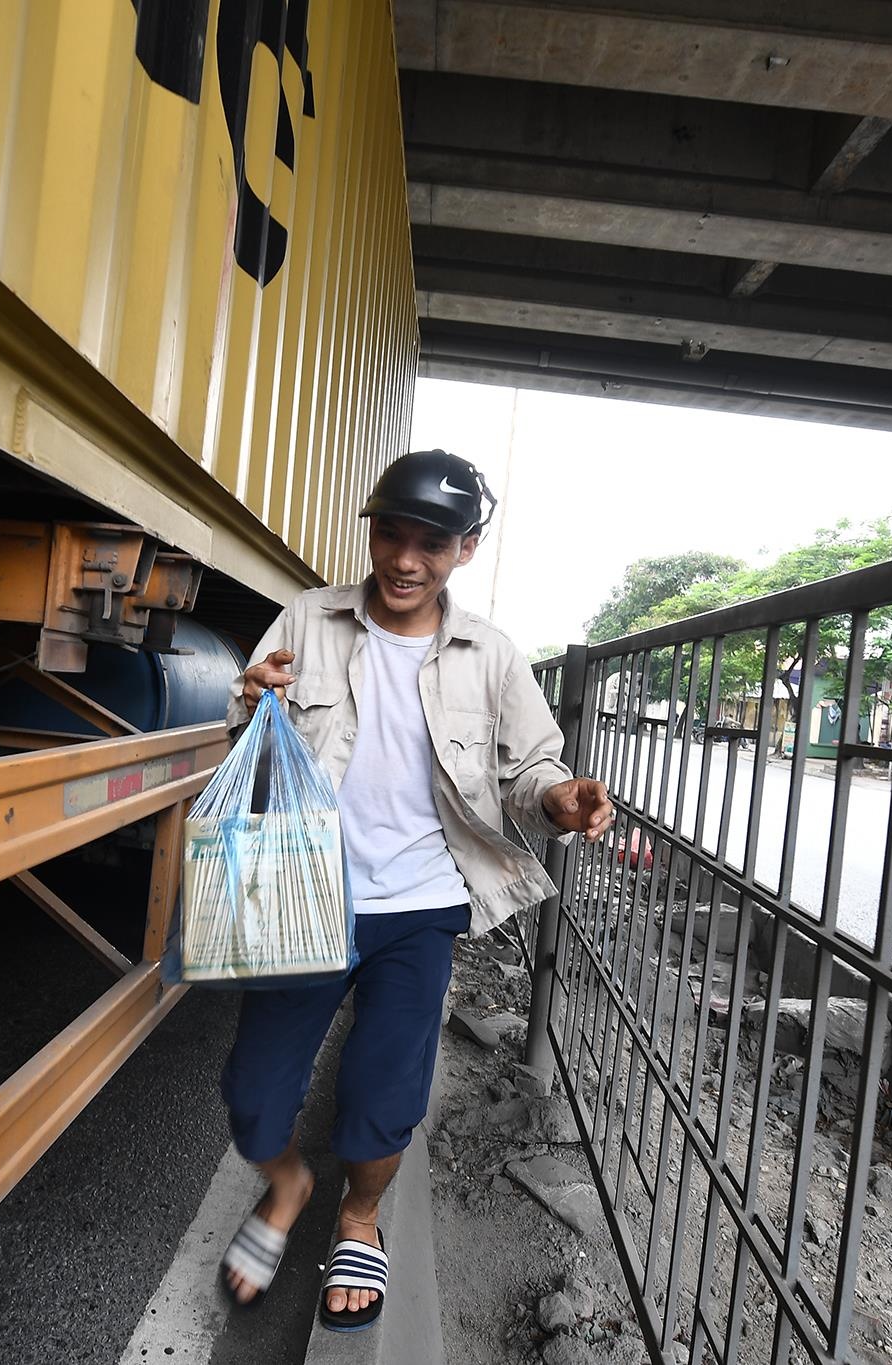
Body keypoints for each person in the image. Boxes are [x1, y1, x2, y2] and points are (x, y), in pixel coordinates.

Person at [215, 449, 614, 1333]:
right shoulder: (307, 618)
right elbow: (247, 724)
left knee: (385, 1091)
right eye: (390, 532)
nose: (403, 558)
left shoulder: (491, 655)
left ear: (465, 549)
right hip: (306, 896)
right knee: (251, 1093)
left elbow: (530, 769)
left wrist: (558, 797)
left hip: (421, 907)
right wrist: (249, 697)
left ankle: (358, 1219)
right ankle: (287, 1184)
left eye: (430, 541)